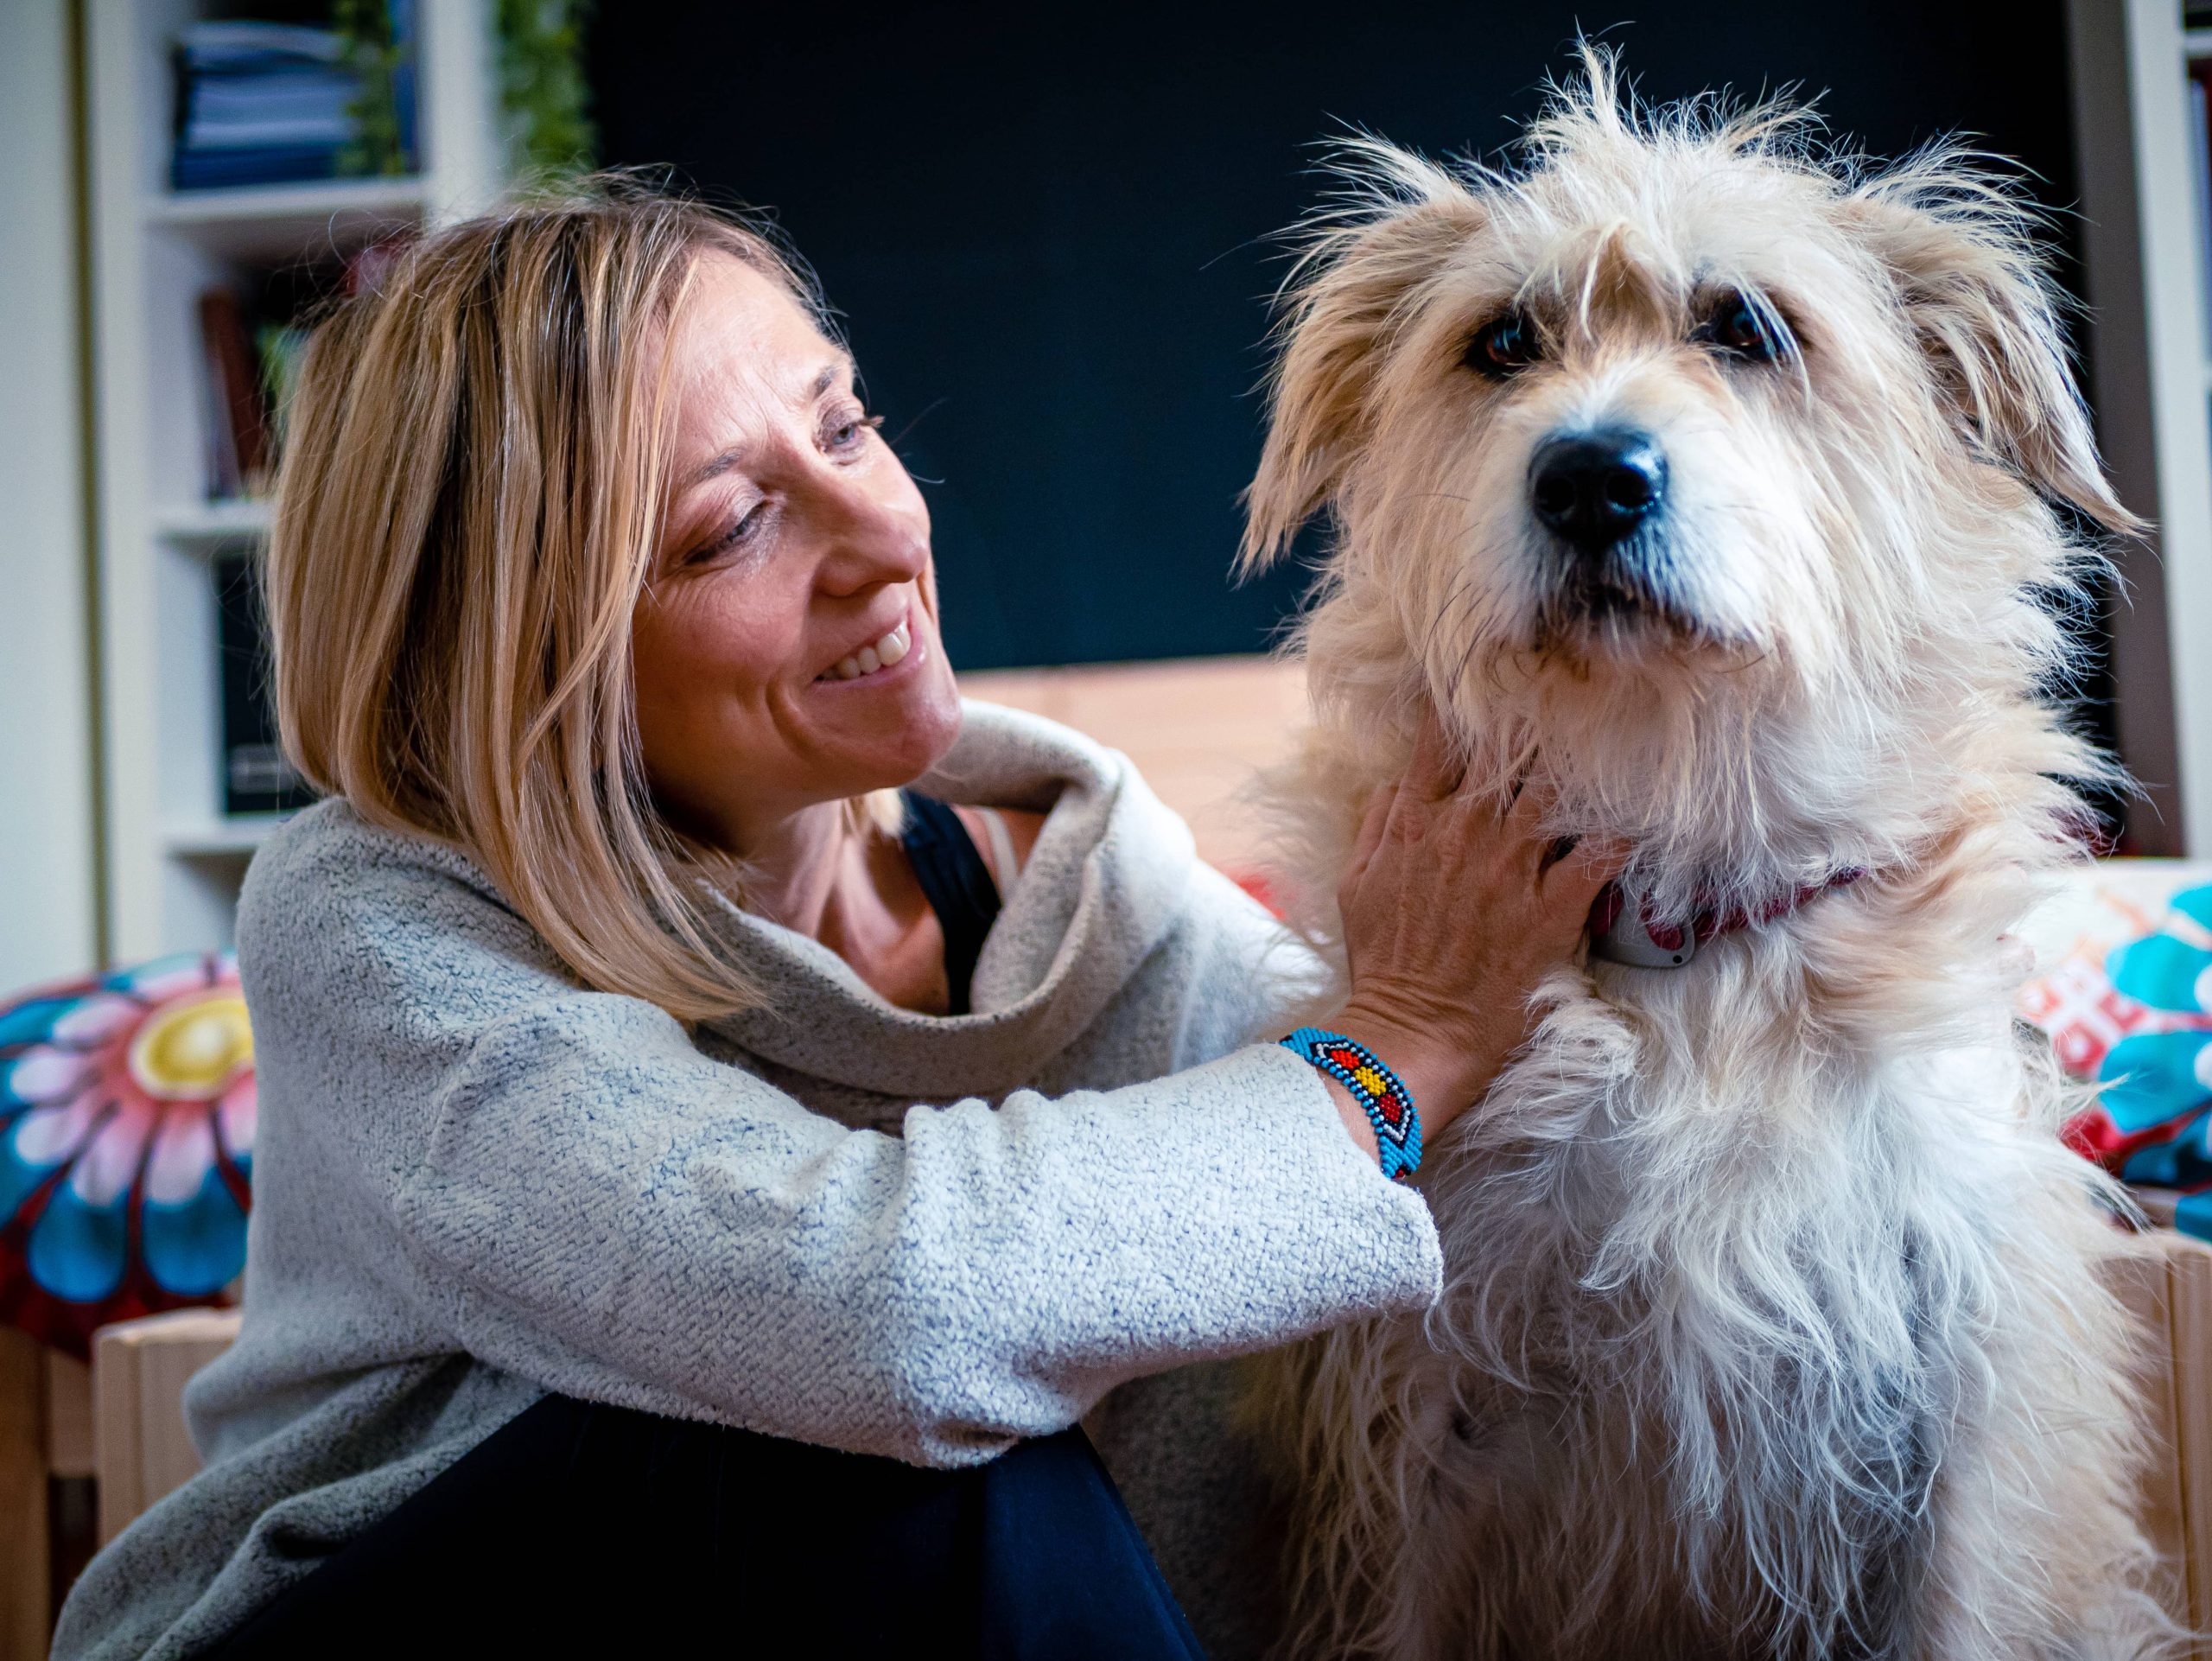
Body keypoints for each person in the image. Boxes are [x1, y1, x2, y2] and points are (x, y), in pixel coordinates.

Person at [54, 181, 1614, 1661]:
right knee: (892, 1444)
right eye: (733, 527)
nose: (881, 540)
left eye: (848, 426)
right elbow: (885, 1313)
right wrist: (1385, 1057)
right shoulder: (379, 926)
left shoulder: (1109, 914)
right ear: (529, 670)